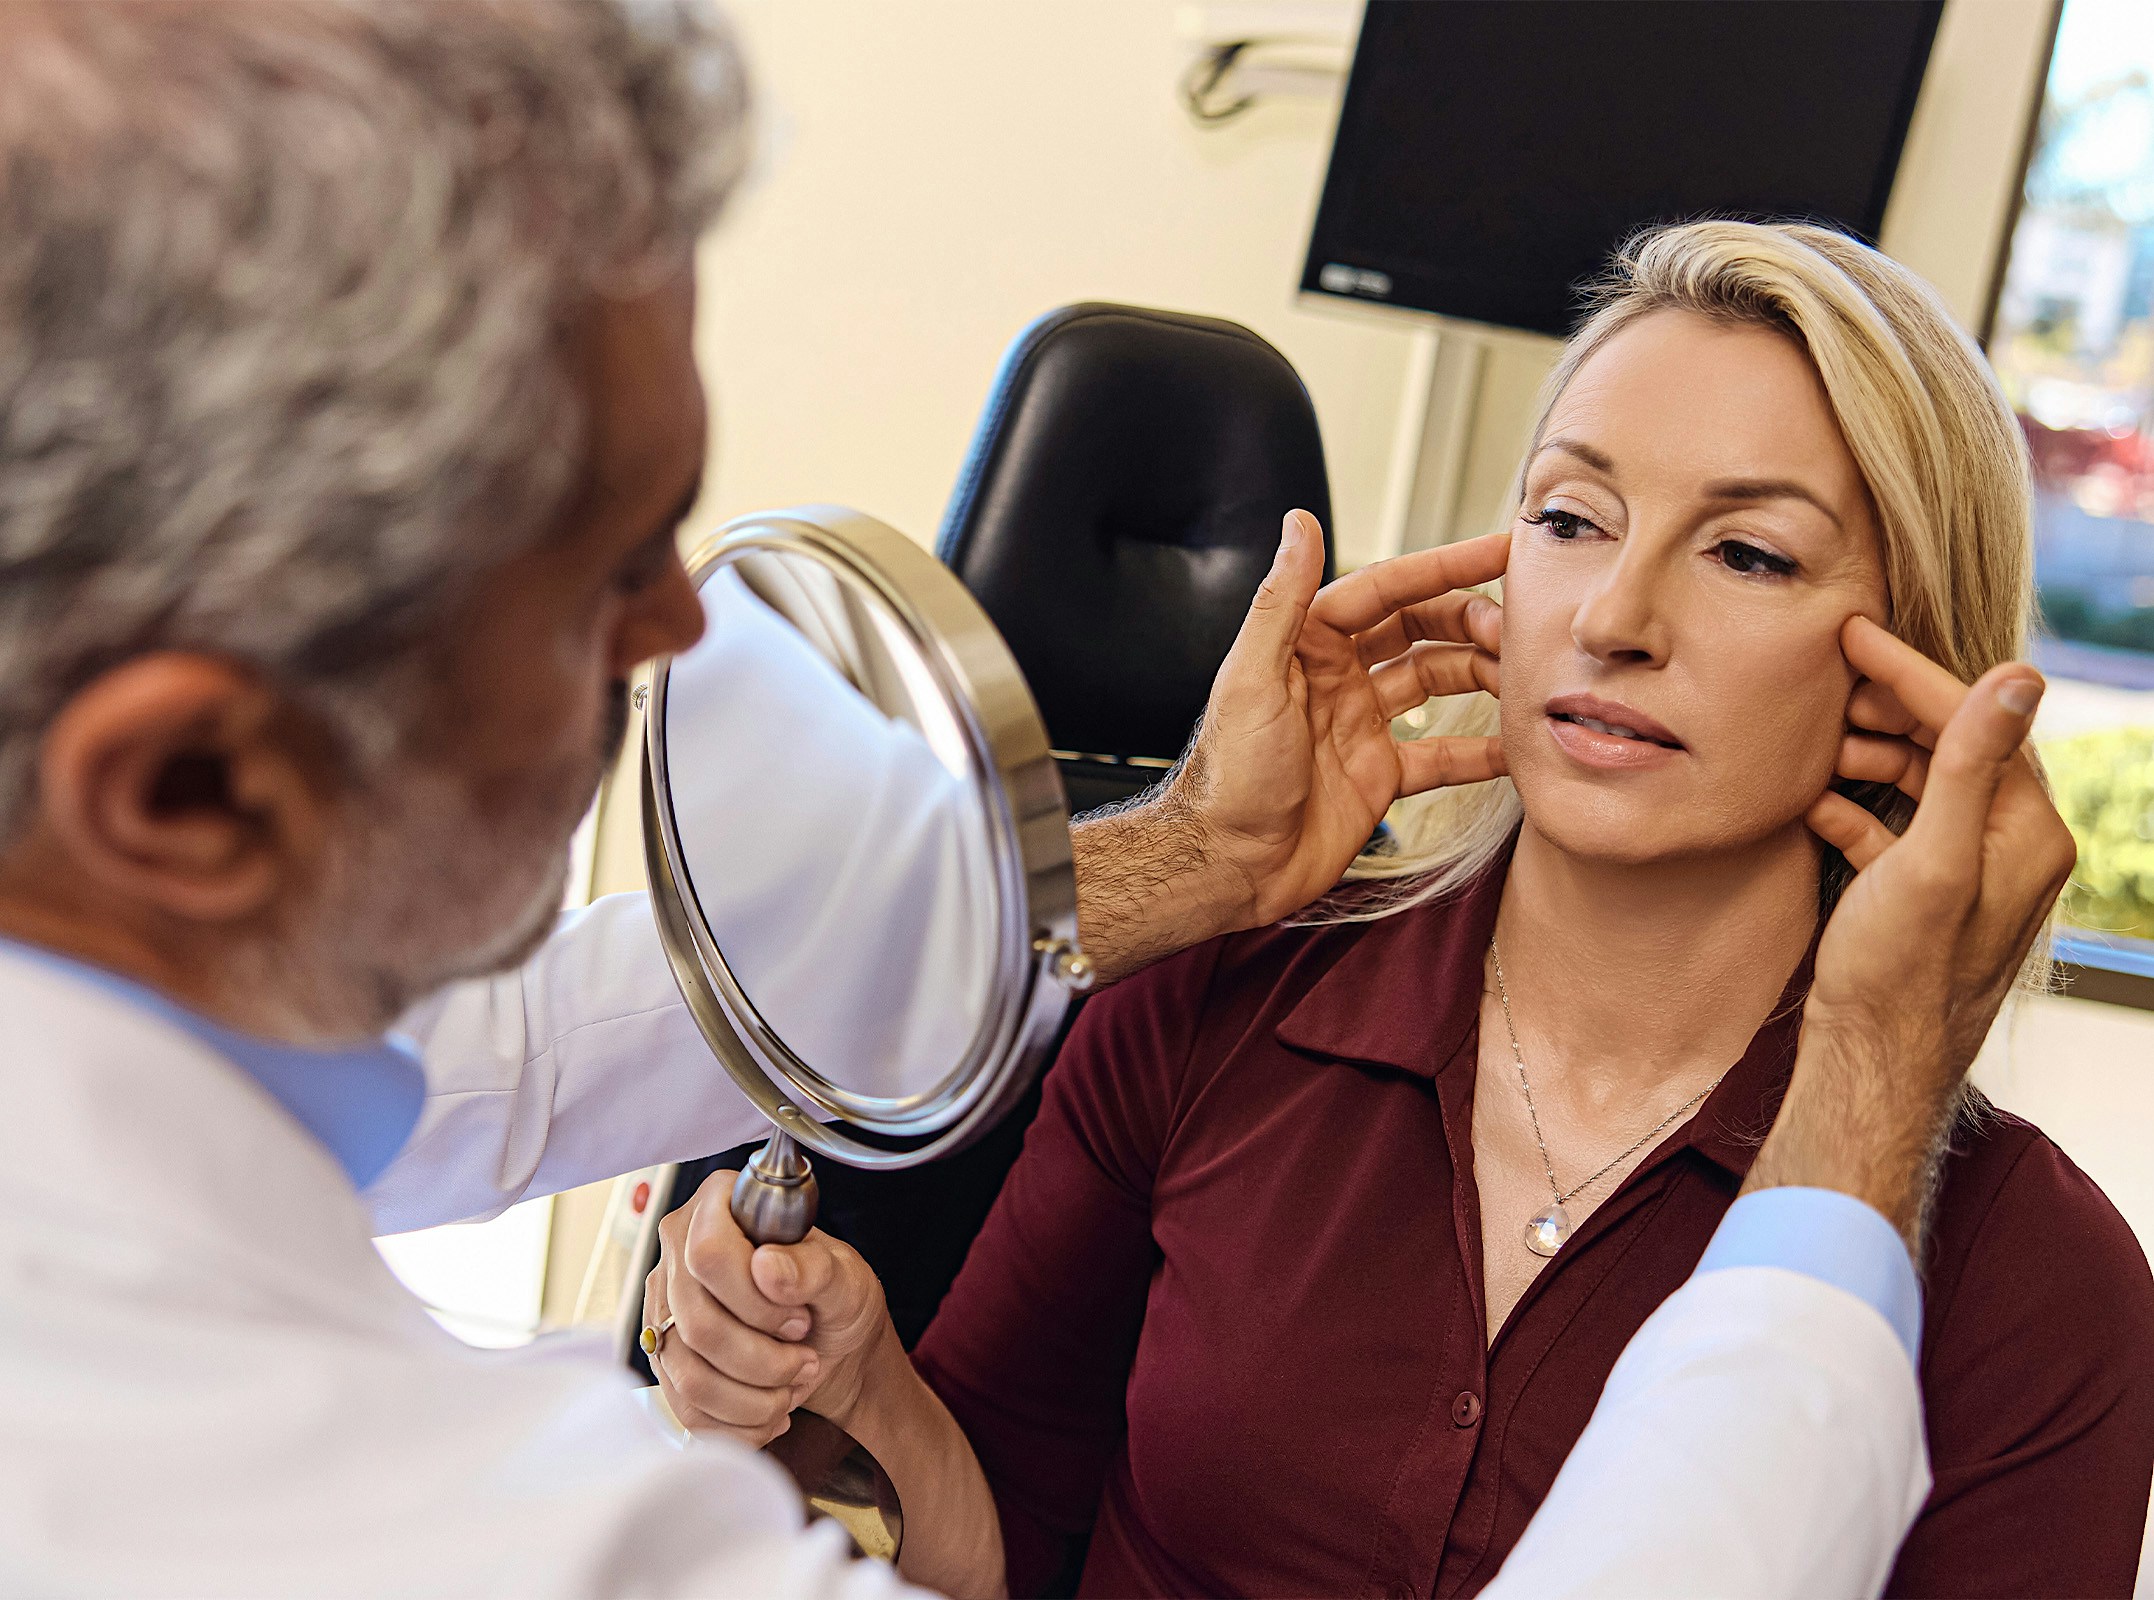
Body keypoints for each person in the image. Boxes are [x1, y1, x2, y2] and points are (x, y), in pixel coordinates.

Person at [0, 4, 1504, 1595]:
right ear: (191, 787)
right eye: (603, 572)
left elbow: (523, 1053)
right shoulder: (416, 1521)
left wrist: (1190, 855)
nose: (681, 632)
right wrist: (1805, 1238)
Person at [652, 220, 2153, 1598]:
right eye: (1571, 519)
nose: (1615, 620)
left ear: (1918, 677)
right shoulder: (1203, 1012)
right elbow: (1001, 1539)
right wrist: (854, 1398)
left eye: (1746, 553)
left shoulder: (2037, 1286)